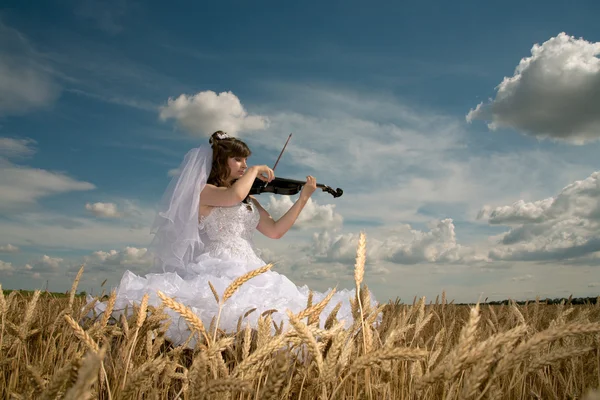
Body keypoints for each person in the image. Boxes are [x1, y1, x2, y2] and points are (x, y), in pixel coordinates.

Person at [90, 131, 375, 346]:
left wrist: (302, 200)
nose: (244, 164)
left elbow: (275, 230)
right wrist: (253, 171)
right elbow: (233, 195)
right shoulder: (205, 191)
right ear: (219, 162)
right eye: (237, 159)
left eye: (246, 160)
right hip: (217, 267)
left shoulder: (249, 200)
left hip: (250, 266)